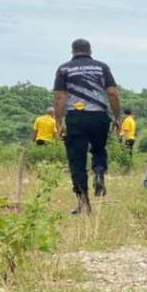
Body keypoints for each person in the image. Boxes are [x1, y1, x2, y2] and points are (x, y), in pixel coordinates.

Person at [53, 39, 121, 213]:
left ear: (72, 51)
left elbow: (60, 97)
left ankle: (84, 203)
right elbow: (112, 93)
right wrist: (118, 116)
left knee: (77, 161)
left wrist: (58, 122)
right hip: (99, 116)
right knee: (99, 150)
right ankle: (99, 173)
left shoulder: (64, 69)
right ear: (90, 51)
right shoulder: (102, 67)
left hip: (76, 118)